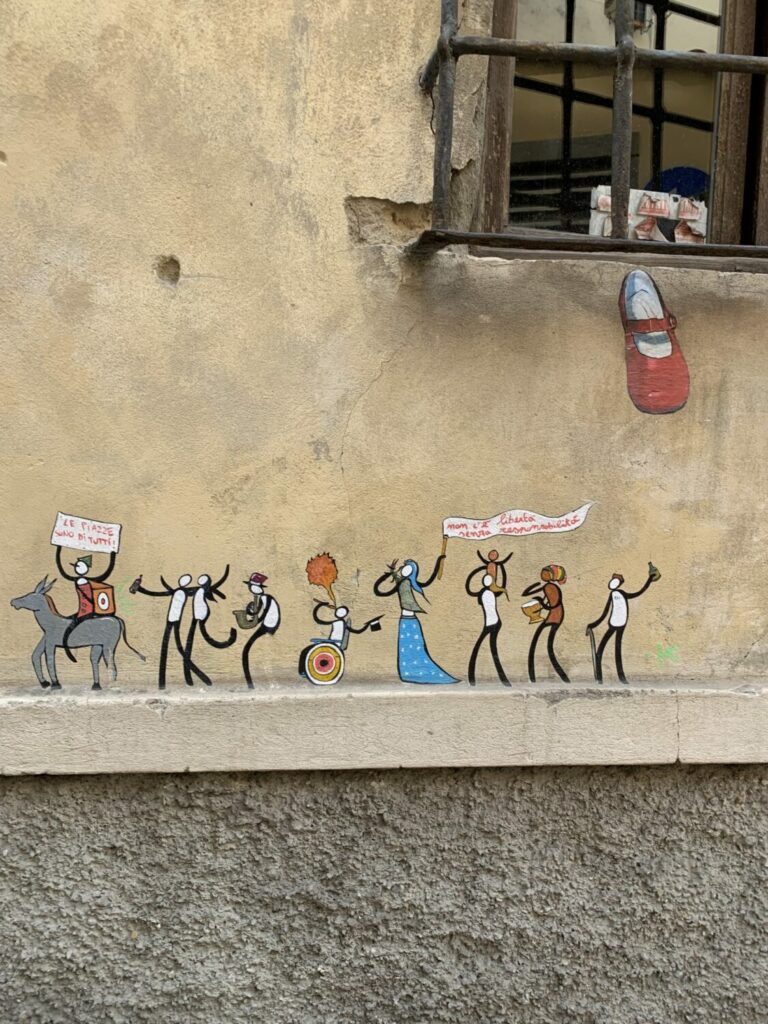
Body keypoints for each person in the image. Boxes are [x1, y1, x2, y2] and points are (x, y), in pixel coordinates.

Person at [373, 555, 458, 684]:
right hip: (405, 620)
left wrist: (439, 561)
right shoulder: (400, 582)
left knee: (416, 647)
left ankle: (415, 672)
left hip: (411, 620)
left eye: (408, 568)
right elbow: (380, 591)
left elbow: (428, 581)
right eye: (404, 567)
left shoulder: (409, 582)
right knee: (406, 647)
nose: (404, 569)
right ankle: (407, 672)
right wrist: (389, 573)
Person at [586, 565, 659, 684]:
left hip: (621, 624)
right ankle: (599, 677)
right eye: (613, 580)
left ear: (619, 583)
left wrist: (649, 580)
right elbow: (605, 613)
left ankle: (621, 677)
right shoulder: (612, 595)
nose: (614, 583)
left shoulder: (622, 593)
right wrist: (593, 624)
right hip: (613, 623)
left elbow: (639, 592)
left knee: (617, 650)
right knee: (602, 648)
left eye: (616, 581)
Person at [130, 572, 198, 689]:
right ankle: (165, 682)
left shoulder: (183, 591)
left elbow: (157, 593)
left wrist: (140, 589)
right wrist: (140, 589)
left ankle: (175, 679)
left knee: (176, 647)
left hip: (174, 620)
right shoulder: (179, 591)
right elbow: (156, 593)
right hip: (172, 620)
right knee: (173, 647)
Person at [56, 547, 117, 662]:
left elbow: (64, 573)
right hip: (84, 611)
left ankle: (68, 647)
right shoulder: (88, 580)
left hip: (85, 612)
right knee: (67, 623)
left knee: (68, 630)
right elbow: (106, 573)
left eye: (77, 566)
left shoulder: (80, 580)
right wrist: (112, 556)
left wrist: (58, 550)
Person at [183, 567, 237, 687]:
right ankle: (189, 676)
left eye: (203, 580)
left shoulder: (206, 590)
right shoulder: (197, 589)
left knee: (199, 638)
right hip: (196, 615)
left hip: (202, 614)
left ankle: (190, 676)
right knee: (191, 640)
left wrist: (221, 594)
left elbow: (220, 590)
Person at [522, 565, 570, 683]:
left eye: (545, 573)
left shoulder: (551, 587)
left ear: (551, 576)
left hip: (555, 616)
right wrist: (536, 587)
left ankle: (534, 676)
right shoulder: (547, 586)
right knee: (543, 645)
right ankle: (561, 677)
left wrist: (542, 604)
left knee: (546, 646)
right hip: (553, 616)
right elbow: (526, 593)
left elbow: (555, 604)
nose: (542, 575)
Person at [465, 561, 509, 686]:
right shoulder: (488, 593)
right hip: (493, 623)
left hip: (492, 624)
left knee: (483, 648)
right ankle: (503, 680)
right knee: (491, 650)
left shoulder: (486, 593)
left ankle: (473, 678)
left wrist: (501, 568)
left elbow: (472, 591)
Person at [234, 572, 281, 689]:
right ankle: (249, 683)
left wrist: (255, 621)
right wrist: (250, 611)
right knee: (246, 649)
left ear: (255, 587)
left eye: (251, 586)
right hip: (266, 624)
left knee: (246, 649)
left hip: (269, 625)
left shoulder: (266, 598)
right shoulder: (261, 598)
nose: (250, 589)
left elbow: (263, 613)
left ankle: (250, 684)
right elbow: (257, 612)